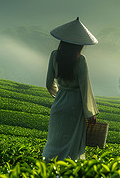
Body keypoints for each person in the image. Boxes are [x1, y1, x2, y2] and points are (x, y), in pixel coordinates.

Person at [42, 17, 99, 162]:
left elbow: (49, 83)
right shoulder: (80, 60)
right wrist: (90, 113)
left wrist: (59, 95)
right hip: (75, 106)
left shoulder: (54, 55)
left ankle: (48, 165)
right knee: (71, 143)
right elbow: (85, 87)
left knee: (55, 139)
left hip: (59, 103)